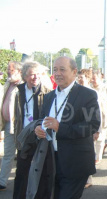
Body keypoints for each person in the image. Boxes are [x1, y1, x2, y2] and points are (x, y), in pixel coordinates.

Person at [33, 56, 100, 199]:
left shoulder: (87, 95)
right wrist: (38, 129)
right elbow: (42, 120)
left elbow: (92, 125)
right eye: (55, 69)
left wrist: (60, 128)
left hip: (75, 163)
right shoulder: (49, 97)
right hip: (50, 160)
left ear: (74, 71)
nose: (57, 73)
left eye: (62, 69)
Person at [13, 61, 52, 199]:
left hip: (40, 137)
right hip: (24, 136)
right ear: (24, 77)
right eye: (31, 75)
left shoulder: (47, 92)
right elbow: (17, 116)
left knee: (40, 170)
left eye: (38, 74)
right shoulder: (19, 91)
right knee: (22, 170)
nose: (35, 77)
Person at [0, 61, 23, 191]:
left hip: (20, 125)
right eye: (8, 69)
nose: (9, 72)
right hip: (9, 124)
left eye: (11, 70)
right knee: (8, 154)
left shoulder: (23, 86)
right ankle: (2, 181)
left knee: (23, 154)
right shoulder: (8, 84)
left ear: (19, 71)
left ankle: (23, 180)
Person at [91, 71, 107, 164]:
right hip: (91, 116)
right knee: (92, 138)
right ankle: (92, 156)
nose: (93, 80)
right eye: (91, 78)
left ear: (100, 78)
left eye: (95, 78)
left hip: (103, 116)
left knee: (100, 137)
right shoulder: (89, 88)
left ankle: (98, 158)